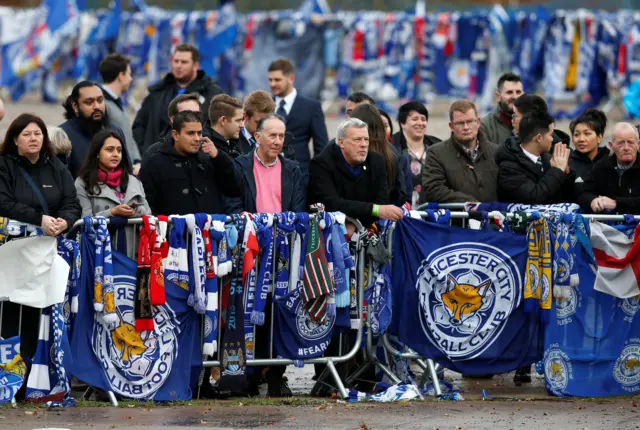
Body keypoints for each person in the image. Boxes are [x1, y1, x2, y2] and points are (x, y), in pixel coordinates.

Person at [0, 114, 81, 394]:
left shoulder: (56, 167)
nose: (33, 139)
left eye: (37, 133)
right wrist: (39, 219)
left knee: (41, 315)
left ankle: (36, 381)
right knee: (12, 315)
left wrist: (64, 221)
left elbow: (72, 202)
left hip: (46, 256)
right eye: (26, 134)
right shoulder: (5, 166)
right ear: (14, 139)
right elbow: (4, 202)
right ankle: (11, 381)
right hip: (12, 257)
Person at [138, 111, 242, 216]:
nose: (197, 138)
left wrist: (219, 158)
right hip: (173, 231)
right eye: (190, 133)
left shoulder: (211, 160)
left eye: (199, 133)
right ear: (175, 134)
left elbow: (235, 190)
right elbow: (147, 205)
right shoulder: (154, 164)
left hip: (210, 231)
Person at [308, 118, 404, 228]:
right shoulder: (321, 164)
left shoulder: (376, 161)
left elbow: (382, 201)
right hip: (331, 231)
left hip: (367, 229)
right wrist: (373, 210)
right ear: (341, 142)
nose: (363, 145)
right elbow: (331, 204)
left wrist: (359, 226)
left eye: (366, 140)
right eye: (357, 140)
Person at [132, 44, 223, 155]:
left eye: (184, 62)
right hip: (155, 159)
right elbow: (139, 125)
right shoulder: (157, 92)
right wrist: (144, 152)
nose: (178, 66)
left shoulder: (212, 94)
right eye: (176, 61)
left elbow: (219, 129)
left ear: (195, 65)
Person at [75, 130, 151, 256]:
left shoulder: (133, 181)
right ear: (97, 153)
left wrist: (134, 211)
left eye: (119, 150)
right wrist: (112, 213)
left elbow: (148, 216)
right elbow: (85, 222)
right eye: (110, 150)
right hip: (101, 254)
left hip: (133, 254)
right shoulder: (83, 182)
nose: (116, 154)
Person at [421, 100, 498, 203]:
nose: (466, 127)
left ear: (478, 122)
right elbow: (433, 189)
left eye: (470, 121)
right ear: (451, 126)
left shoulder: (496, 152)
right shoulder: (436, 153)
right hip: (457, 218)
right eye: (460, 123)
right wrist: (469, 203)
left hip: (493, 218)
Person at [227, 114, 305, 214]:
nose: (278, 142)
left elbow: (298, 210)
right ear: (257, 137)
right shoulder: (239, 166)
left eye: (281, 136)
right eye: (273, 136)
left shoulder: (293, 170)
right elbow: (233, 206)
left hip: (286, 229)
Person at [496, 111, 575, 204]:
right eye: (550, 135)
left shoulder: (548, 159)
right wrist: (557, 171)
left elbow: (562, 197)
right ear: (539, 138)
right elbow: (534, 197)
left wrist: (566, 173)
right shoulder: (508, 168)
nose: (552, 139)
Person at [268, 58, 328, 174]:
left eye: (277, 80)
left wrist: (316, 177)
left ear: (291, 78)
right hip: (268, 177)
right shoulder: (264, 105)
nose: (272, 84)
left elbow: (321, 147)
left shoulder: (311, 107)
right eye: (270, 80)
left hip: (300, 177)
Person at [59, 81, 125, 178]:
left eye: (100, 100)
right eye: (89, 102)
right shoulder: (62, 135)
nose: (97, 107)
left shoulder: (116, 131)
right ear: (75, 106)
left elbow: (126, 170)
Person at [350, 104, 409, 207]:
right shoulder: (393, 152)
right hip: (384, 215)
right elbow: (401, 195)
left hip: (352, 216)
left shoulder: (347, 149)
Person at [578, 122, 640, 214]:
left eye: (630, 142)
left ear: (638, 145)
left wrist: (616, 203)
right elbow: (584, 193)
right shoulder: (602, 166)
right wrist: (592, 201)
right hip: (607, 225)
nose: (626, 148)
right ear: (611, 146)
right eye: (620, 143)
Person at [391, 101, 442, 208]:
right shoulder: (392, 146)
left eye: (423, 119)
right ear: (402, 123)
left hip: (432, 211)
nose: (420, 123)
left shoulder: (437, 145)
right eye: (415, 119)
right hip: (401, 212)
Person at [99, 53, 142, 174]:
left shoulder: (115, 102)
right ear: (120, 76)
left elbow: (127, 136)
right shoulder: (101, 104)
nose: (131, 78)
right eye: (129, 74)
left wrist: (136, 161)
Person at [142, 93, 202, 163]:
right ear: (173, 119)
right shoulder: (154, 153)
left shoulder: (208, 151)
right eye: (187, 114)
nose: (194, 118)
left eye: (197, 114)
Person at [480, 73, 524, 146]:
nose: (515, 97)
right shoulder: (485, 126)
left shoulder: (534, 123)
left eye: (518, 92)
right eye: (509, 92)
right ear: (498, 96)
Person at [569, 109, 609, 181]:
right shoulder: (567, 165)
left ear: (599, 137)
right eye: (576, 134)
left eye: (587, 134)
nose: (581, 139)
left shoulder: (610, 162)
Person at [238, 90, 276, 155]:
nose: (263, 127)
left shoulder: (277, 140)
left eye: (267, 122)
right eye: (259, 122)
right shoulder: (231, 140)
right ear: (246, 116)